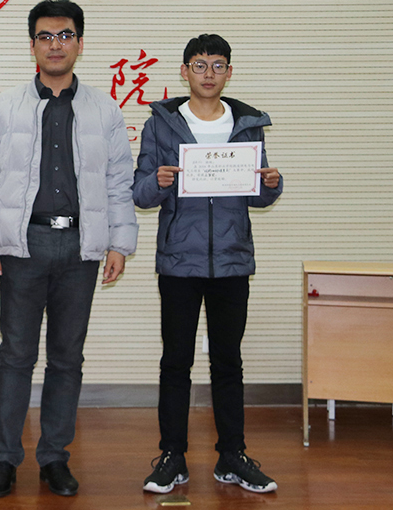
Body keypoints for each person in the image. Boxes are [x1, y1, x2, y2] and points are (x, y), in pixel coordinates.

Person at [0, 0, 138, 498]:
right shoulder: (5, 107)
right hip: (22, 245)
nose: (55, 45)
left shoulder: (104, 110)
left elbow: (118, 182)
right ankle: (4, 459)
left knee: (67, 358)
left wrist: (119, 243)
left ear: (80, 43)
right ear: (32, 46)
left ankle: (54, 458)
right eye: (45, 36)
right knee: (16, 356)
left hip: (81, 247)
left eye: (65, 35)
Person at [133, 34, 282, 495]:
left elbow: (256, 194)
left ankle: (232, 457)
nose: (209, 74)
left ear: (229, 72)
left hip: (232, 261)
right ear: (184, 72)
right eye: (200, 65)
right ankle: (172, 457)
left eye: (218, 65)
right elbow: (140, 193)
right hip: (179, 261)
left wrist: (271, 184)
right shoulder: (161, 124)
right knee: (175, 362)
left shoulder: (248, 124)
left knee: (228, 363)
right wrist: (158, 182)